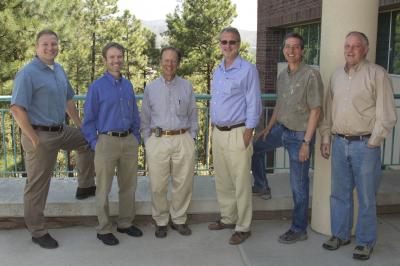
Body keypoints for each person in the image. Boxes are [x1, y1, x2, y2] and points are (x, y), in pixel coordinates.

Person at [10, 29, 95, 249]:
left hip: (60, 130)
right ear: (36, 47)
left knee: (87, 142)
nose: (50, 48)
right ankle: (38, 232)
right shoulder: (27, 73)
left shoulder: (58, 70)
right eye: (45, 44)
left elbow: (68, 100)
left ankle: (85, 186)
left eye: (54, 44)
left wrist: (80, 126)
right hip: (39, 135)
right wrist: (33, 138)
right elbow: (17, 109)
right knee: (37, 186)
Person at [320, 31, 397, 260]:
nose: (350, 50)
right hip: (339, 142)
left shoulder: (377, 74)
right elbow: (327, 111)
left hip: (365, 145)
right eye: (347, 46)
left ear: (366, 49)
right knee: (339, 194)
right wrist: (326, 138)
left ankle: (364, 241)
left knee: (366, 197)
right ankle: (340, 235)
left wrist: (374, 142)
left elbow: (387, 113)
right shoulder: (336, 76)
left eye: (355, 46)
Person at [252, 32, 323, 244]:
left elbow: (316, 110)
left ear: (302, 51)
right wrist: (267, 128)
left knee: (298, 186)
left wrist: (306, 143)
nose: (290, 50)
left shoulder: (311, 75)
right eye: (287, 47)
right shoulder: (282, 75)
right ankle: (262, 185)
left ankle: (299, 228)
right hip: (280, 129)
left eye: (295, 47)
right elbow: (280, 106)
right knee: (255, 147)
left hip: (300, 135)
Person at [82, 42, 143, 246]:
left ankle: (125, 223)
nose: (116, 61)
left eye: (119, 57)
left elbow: (135, 113)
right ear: (104, 60)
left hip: (128, 141)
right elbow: (88, 119)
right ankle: (104, 228)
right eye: (112, 57)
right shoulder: (97, 87)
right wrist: (94, 142)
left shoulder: (128, 85)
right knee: (104, 188)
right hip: (106, 141)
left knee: (128, 186)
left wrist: (136, 137)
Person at [208, 27, 262, 245]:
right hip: (219, 133)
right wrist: (213, 130)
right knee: (223, 180)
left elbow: (254, 104)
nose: (227, 46)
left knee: (240, 182)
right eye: (224, 42)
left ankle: (243, 226)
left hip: (239, 132)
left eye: (232, 42)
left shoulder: (247, 70)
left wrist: (248, 135)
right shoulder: (218, 70)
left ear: (239, 45)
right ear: (220, 44)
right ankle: (228, 218)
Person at [141, 46, 198, 238]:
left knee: (183, 183)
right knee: (158, 185)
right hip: (158, 140)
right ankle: (161, 220)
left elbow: (193, 115)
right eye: (166, 60)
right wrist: (148, 141)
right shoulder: (151, 88)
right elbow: (145, 118)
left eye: (173, 61)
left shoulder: (187, 86)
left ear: (178, 64)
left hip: (183, 138)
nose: (169, 64)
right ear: (160, 62)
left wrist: (192, 138)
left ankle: (179, 219)